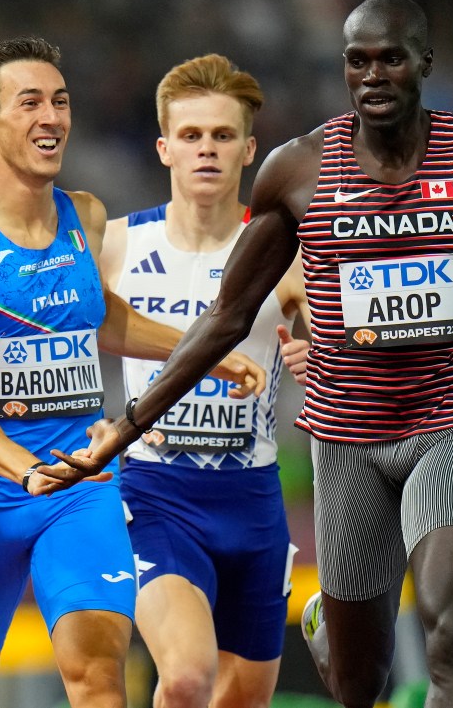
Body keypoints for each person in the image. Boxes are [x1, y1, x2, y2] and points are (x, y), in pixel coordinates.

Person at [45, 0, 453, 708]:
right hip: (346, 439)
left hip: (450, 420)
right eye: (356, 61)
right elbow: (225, 317)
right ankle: (329, 638)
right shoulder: (298, 170)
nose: (372, 76)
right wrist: (124, 428)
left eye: (390, 59)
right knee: (356, 682)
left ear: (424, 64)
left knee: (448, 629)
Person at [0, 36, 264, 708]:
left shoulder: (86, 216)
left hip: (81, 485)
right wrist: (22, 469)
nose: (51, 117)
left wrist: (200, 348)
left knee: (98, 672)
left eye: (60, 102)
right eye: (30, 102)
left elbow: (98, 319)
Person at [97, 53, 309, 708]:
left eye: (221, 136)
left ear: (249, 150)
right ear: (164, 147)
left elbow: (348, 349)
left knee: (241, 697)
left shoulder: (289, 250)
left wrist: (324, 361)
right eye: (190, 136)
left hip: (252, 499)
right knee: (186, 676)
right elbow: (56, 334)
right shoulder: (115, 246)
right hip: (156, 492)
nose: (206, 150)